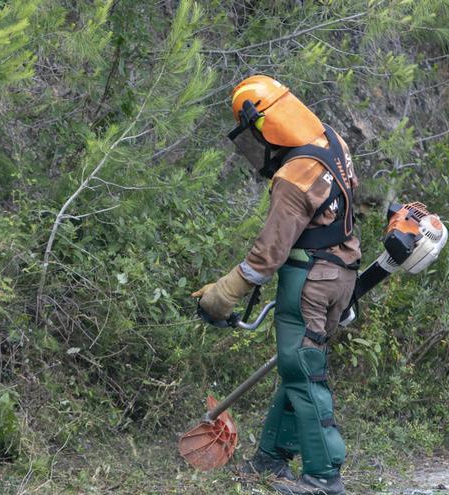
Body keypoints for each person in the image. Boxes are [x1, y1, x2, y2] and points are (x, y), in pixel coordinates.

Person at [192, 75, 360, 495]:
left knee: (304, 372)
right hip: (341, 272)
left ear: (264, 125)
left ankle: (324, 476)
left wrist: (223, 294)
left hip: (309, 280)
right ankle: (271, 457)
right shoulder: (332, 141)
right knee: (296, 367)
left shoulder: (294, 175)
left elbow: (268, 255)